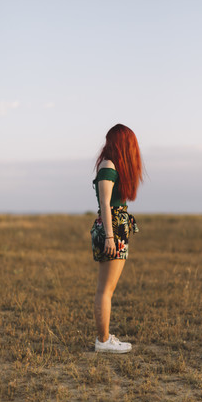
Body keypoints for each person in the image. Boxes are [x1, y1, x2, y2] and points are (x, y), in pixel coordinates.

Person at [90, 124, 143, 353]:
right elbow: (105, 204)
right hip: (112, 229)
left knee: (108, 288)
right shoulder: (108, 166)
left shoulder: (113, 166)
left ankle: (105, 338)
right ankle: (103, 341)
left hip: (118, 227)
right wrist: (110, 237)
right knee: (105, 290)